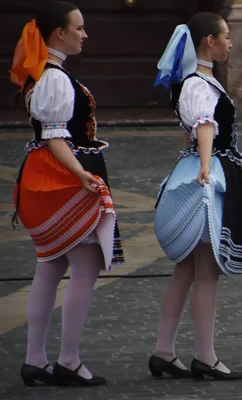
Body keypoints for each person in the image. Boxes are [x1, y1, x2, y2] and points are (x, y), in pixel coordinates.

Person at [10, 1, 124, 387]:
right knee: (85, 267)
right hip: (62, 176)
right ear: (58, 33)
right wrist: (81, 174)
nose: (84, 34)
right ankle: (69, 360)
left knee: (50, 264)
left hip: (41, 175)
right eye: (78, 28)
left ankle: (35, 359)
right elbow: (55, 136)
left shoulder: (42, 74)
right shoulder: (56, 78)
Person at [149, 11, 242, 381]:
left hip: (206, 168)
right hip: (210, 175)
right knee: (206, 269)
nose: (230, 42)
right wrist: (206, 166)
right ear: (210, 41)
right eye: (226, 35)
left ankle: (164, 351)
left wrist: (198, 157)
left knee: (188, 268)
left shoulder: (199, 81)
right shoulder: (198, 84)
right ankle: (204, 356)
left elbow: (191, 130)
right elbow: (202, 126)